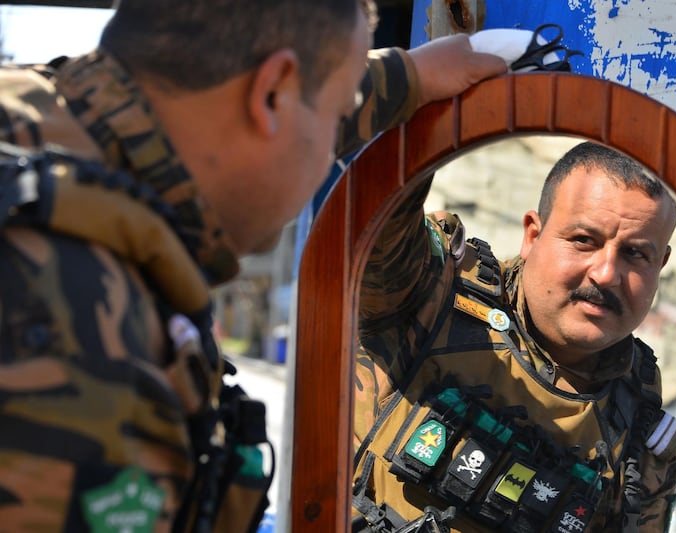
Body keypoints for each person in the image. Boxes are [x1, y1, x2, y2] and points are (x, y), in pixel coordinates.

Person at [0, 1, 507, 531]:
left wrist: (414, 78)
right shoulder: (89, 361)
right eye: (335, 114)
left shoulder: (40, 110)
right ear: (272, 95)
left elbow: (286, 105)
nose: (328, 151)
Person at [352, 142, 676, 532]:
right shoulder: (431, 292)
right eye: (583, 240)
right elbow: (372, 215)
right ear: (533, 234)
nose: (606, 273)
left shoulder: (639, 430)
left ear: (660, 265)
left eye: (635, 254)